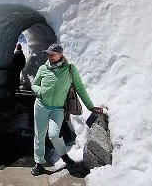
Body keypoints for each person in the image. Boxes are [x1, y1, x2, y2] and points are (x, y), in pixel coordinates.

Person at [30, 43, 103, 176]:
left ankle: (64, 156)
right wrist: (40, 92)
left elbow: (80, 88)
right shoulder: (43, 68)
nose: (49, 56)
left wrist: (90, 106)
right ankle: (39, 163)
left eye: (52, 54)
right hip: (40, 106)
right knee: (39, 135)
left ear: (60, 55)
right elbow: (35, 84)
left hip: (57, 109)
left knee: (53, 134)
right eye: (48, 54)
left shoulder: (70, 69)